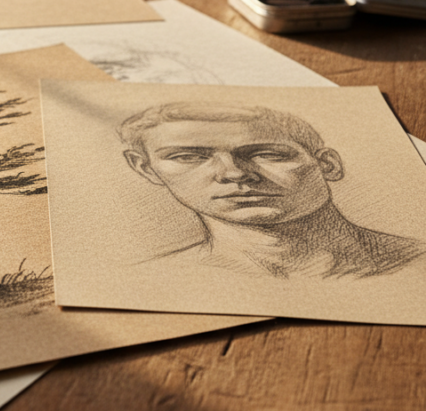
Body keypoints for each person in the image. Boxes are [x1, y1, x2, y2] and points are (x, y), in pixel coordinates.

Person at [118, 102, 424, 279]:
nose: (234, 173)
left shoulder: (416, 263)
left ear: (327, 164)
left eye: (267, 154)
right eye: (188, 157)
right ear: (146, 169)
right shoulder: (150, 279)